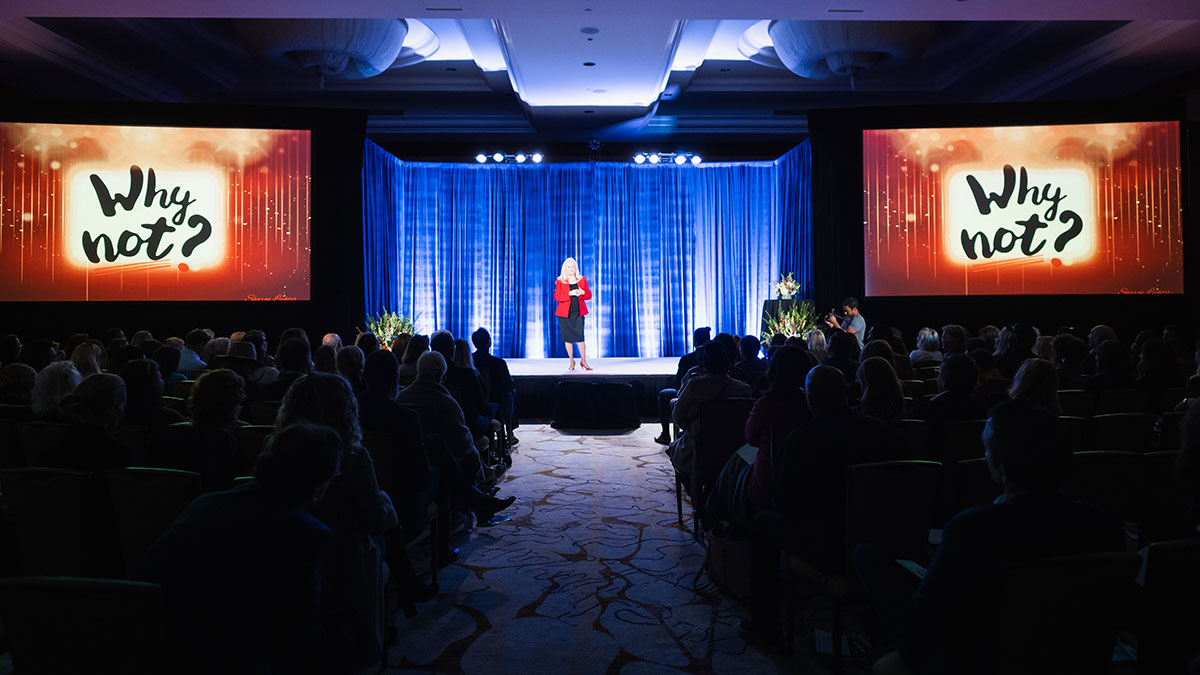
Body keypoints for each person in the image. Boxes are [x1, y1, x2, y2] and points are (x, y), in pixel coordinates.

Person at [852, 400, 1125, 675]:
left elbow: (924, 622)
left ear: (1001, 465)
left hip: (975, 658)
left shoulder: (972, 528)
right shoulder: (1105, 524)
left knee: (867, 557)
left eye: (987, 449)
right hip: (1072, 655)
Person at [139, 423, 340, 675]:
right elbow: (296, 630)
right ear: (320, 483)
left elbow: (148, 575)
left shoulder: (205, 503)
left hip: (170, 646)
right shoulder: (308, 533)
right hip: (240, 656)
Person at [739, 365, 899, 647]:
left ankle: (766, 627)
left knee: (762, 523)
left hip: (822, 546)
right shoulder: (880, 432)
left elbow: (783, 499)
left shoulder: (801, 440)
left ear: (810, 398)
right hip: (876, 540)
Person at [667, 341, 752, 476]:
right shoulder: (744, 389)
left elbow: (679, 419)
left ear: (704, 362)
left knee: (674, 447)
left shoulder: (695, 386)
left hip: (700, 452)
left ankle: (696, 494)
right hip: (734, 451)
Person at [655, 327, 711, 446]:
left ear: (695, 341)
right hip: (711, 395)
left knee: (663, 394)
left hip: (690, 394)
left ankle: (665, 434)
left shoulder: (687, 359)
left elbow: (679, 383)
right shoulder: (714, 357)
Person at [472, 328, 519, 446]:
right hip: (497, 403)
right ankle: (509, 432)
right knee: (511, 393)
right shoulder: (498, 363)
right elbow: (508, 384)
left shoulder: (469, 361)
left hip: (474, 403)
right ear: (489, 343)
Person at [554, 257, 592, 371]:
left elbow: (589, 296)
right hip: (565, 314)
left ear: (576, 268)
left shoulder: (582, 279)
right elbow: (557, 297)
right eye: (569, 267)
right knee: (568, 338)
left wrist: (583, 292)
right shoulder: (560, 280)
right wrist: (570, 293)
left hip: (578, 312)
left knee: (580, 337)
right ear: (565, 268)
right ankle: (571, 361)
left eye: (573, 266)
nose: (571, 269)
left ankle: (583, 361)